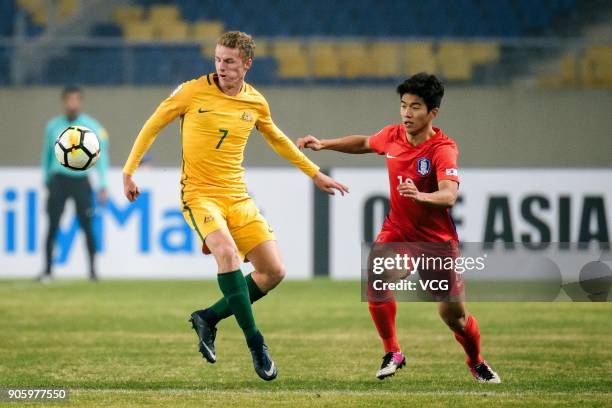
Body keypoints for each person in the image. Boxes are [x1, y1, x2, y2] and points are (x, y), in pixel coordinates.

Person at [122, 31, 348, 381]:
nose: (221, 67)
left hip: (238, 197)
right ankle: (256, 344)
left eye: (229, 61)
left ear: (247, 64)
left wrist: (314, 173)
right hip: (199, 195)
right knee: (226, 253)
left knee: (274, 272)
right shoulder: (192, 91)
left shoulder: (255, 102)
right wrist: (129, 171)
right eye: (217, 59)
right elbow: (152, 125)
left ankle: (208, 318)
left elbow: (278, 139)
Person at [297, 73, 500, 383]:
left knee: (455, 318)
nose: (407, 113)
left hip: (437, 242)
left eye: (416, 107)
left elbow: (449, 195)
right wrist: (324, 144)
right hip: (399, 232)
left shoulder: (442, 149)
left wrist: (420, 195)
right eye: (403, 105)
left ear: (433, 112)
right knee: (377, 274)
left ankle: (476, 361)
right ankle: (393, 351)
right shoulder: (392, 136)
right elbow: (364, 143)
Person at [40, 86, 109, 282]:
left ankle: (93, 272)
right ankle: (47, 271)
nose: (72, 103)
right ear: (64, 102)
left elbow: (101, 158)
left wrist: (103, 184)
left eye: (76, 99)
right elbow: (46, 154)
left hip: (81, 181)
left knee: (87, 225)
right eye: (69, 100)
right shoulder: (53, 126)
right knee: (52, 225)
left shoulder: (91, 126)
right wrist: (46, 179)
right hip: (59, 180)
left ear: (80, 102)